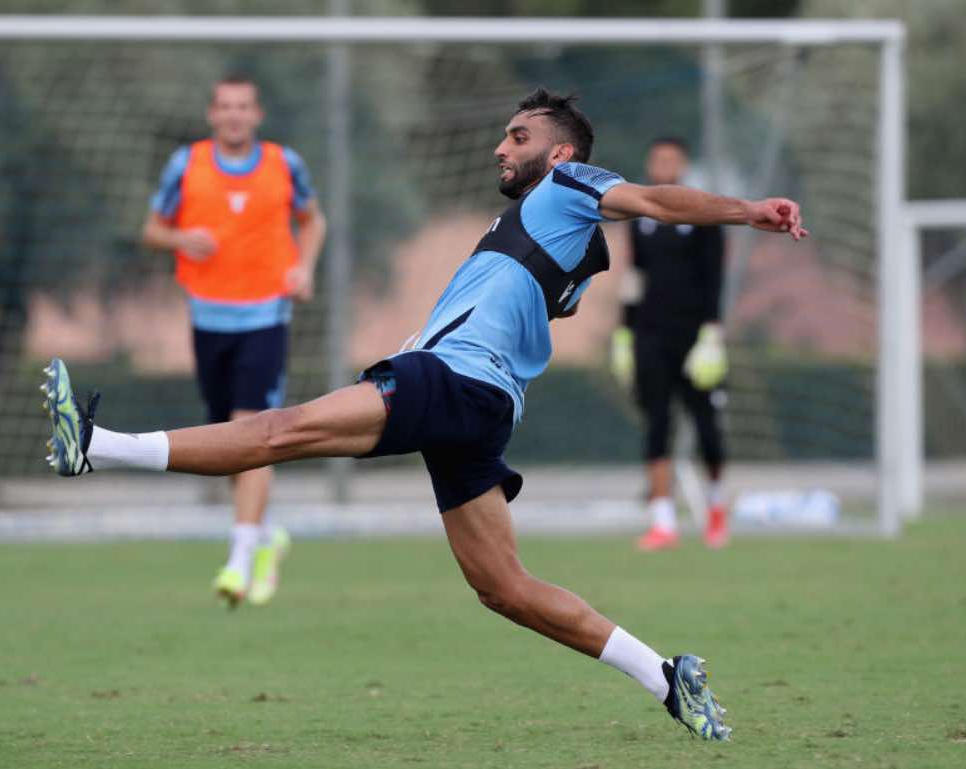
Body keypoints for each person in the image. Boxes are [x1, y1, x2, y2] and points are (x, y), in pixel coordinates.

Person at [44, 88, 806, 740]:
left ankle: (96, 445)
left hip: (449, 380)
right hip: (486, 406)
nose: (499, 147)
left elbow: (655, 200)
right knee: (503, 587)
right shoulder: (550, 223)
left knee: (281, 429)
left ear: (562, 155)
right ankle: (668, 677)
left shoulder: (570, 191)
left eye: (518, 137)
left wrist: (747, 211)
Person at [140, 74, 327, 607]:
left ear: (258, 114)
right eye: (225, 107)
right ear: (211, 114)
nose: (234, 115)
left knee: (253, 429)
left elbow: (314, 221)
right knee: (229, 445)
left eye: (244, 106)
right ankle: (266, 539)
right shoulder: (186, 164)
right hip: (207, 321)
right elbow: (151, 229)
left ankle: (238, 559)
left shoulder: (284, 164)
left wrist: (304, 268)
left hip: (266, 316)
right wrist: (180, 237)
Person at [613, 137, 730, 551]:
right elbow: (635, 276)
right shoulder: (639, 217)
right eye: (657, 157)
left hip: (695, 336)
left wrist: (713, 333)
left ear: (683, 165)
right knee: (657, 423)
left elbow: (715, 278)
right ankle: (663, 521)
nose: (664, 164)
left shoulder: (703, 215)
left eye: (672, 159)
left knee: (707, 428)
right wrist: (624, 333)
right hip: (650, 334)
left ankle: (717, 507)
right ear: (650, 163)